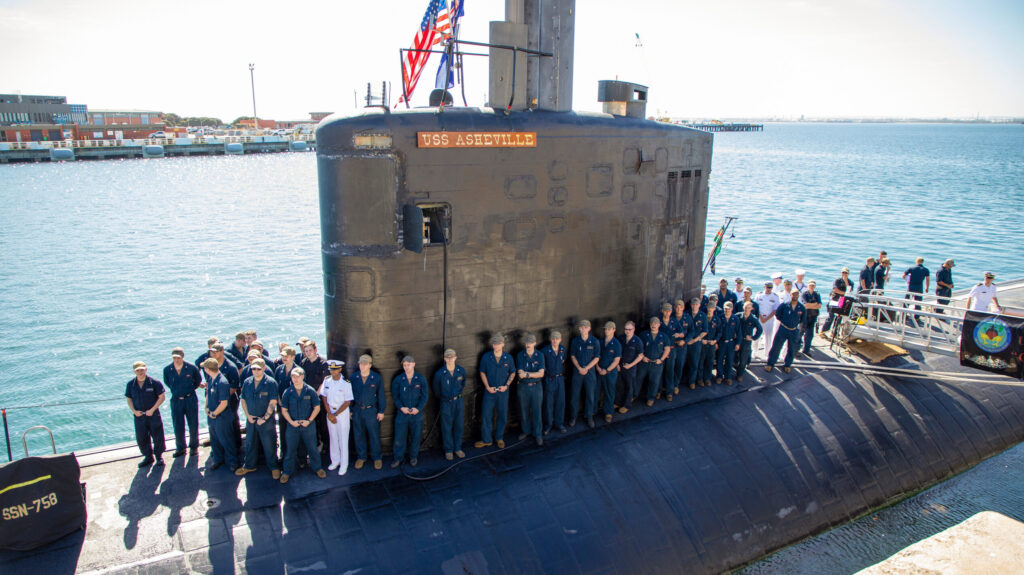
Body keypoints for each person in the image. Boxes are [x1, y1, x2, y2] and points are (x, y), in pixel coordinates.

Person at [279, 367, 326, 482]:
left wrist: (309, 421)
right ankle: (287, 471)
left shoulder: (310, 391)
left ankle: (317, 468)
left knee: (312, 448)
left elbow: (317, 407)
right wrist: (291, 422)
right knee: (290, 450)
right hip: (293, 425)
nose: (295, 379)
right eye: (293, 376)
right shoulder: (288, 392)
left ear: (303, 376)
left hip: (308, 425)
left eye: (297, 376)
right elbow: (284, 409)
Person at [236, 359, 281, 478]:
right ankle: (249, 465)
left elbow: (272, 402)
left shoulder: (271, 383)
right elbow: (243, 399)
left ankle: (273, 466)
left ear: (264, 368)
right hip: (251, 419)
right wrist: (248, 416)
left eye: (258, 369)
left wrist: (265, 418)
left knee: (269, 444)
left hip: (265, 421)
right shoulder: (247, 382)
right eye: (253, 369)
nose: (256, 371)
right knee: (250, 443)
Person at [477, 335, 515, 447]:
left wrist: (507, 385)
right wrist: (487, 387)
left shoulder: (508, 358)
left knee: (502, 415)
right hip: (489, 392)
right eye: (494, 343)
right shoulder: (486, 357)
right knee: (486, 415)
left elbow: (512, 372)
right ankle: (486, 440)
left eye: (498, 343)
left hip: (503, 392)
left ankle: (499, 438)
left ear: (503, 344)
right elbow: (482, 372)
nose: (496, 346)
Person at [163, 347, 202, 457]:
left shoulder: (191, 368)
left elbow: (197, 381)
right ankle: (180, 447)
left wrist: (188, 390)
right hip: (176, 400)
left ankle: (194, 447)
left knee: (193, 423)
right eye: (174, 358)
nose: (176, 360)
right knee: (178, 425)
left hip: (190, 399)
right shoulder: (167, 370)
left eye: (178, 357)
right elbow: (168, 382)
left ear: (183, 356)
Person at [125, 361, 166, 468]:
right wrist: (134, 411)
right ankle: (148, 457)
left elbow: (161, 397)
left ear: (146, 369)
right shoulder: (130, 385)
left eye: (142, 370)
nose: (140, 372)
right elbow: (128, 398)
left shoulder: (154, 383)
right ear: (134, 371)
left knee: (157, 436)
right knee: (141, 437)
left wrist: (152, 409)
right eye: (138, 370)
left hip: (153, 414)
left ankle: (159, 457)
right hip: (139, 416)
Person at [201, 358, 238, 472]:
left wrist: (214, 413)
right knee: (215, 439)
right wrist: (206, 407)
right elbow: (208, 393)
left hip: (222, 417)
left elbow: (224, 403)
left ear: (207, 369)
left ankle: (233, 462)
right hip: (212, 416)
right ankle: (218, 459)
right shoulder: (211, 379)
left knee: (226, 439)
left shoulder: (222, 382)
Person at [391, 355, 428, 467]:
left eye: (408, 365)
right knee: (399, 437)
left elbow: (425, 396)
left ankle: (413, 457)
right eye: (404, 365)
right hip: (402, 414)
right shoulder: (398, 379)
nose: (406, 367)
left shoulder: (421, 379)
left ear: (413, 364)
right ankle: (398, 458)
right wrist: (401, 407)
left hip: (416, 414)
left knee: (416, 437)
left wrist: (418, 408)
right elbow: (395, 396)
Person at [350, 354, 385, 469]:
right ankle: (361, 457)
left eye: (365, 364)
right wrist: (350, 410)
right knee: (359, 435)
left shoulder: (376, 378)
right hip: (358, 410)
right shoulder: (353, 378)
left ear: (370, 365)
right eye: (360, 363)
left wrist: (381, 411)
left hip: (371, 410)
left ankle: (377, 457)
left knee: (374, 435)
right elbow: (349, 396)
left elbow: (381, 396)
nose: (362, 366)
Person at [320, 359, 353, 475]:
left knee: (343, 439)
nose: (332, 372)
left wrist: (335, 414)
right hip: (330, 412)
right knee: (333, 438)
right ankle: (335, 460)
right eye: (331, 369)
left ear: (340, 369)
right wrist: (329, 413)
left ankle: (344, 464)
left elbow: (347, 401)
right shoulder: (327, 381)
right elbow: (324, 396)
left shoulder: (345, 383)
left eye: (334, 370)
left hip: (342, 414)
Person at [433, 349, 468, 459]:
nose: (449, 359)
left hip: (459, 401)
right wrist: (445, 398)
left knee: (459, 425)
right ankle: (448, 450)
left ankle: (457, 448)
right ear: (444, 359)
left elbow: (463, 384)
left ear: (455, 357)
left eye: (451, 357)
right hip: (446, 402)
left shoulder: (461, 371)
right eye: (447, 357)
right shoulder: (439, 374)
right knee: (446, 426)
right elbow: (436, 390)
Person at [299, 340, 330, 454]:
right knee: (312, 422)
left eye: (310, 350)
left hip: (320, 398)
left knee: (323, 422)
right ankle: (316, 444)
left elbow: (325, 380)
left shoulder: (323, 363)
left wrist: (316, 394)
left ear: (315, 350)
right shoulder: (303, 363)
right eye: (306, 351)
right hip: (309, 398)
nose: (308, 353)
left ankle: (326, 444)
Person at [766, 290, 806, 373]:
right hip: (783, 329)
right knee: (776, 347)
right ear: (790, 295)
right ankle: (770, 363)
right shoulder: (784, 305)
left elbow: (802, 319)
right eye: (793, 294)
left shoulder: (801, 307)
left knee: (791, 348)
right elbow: (778, 315)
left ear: (798, 296)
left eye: (796, 295)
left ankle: (787, 364)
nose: (795, 296)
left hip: (794, 330)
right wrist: (785, 322)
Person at [569, 320, 600, 428]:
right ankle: (573, 417)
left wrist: (586, 368)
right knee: (574, 395)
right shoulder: (575, 341)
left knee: (590, 395)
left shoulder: (594, 341)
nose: (582, 329)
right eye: (581, 327)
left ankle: (589, 416)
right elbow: (572, 356)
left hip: (590, 372)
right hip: (578, 372)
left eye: (584, 327)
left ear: (589, 328)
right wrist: (579, 368)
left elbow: (596, 358)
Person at [516, 335, 546, 444]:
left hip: (536, 386)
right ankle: (526, 431)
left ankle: (537, 434)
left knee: (537, 411)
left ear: (535, 343)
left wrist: (527, 374)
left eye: (530, 343)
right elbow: (520, 374)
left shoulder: (540, 355)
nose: (528, 345)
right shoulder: (520, 355)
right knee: (524, 411)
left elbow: (541, 374)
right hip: (523, 387)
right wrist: (533, 374)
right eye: (526, 343)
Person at [275, 346, 300, 460]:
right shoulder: (279, 369)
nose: (284, 358)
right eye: (283, 356)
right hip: (281, 406)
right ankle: (284, 453)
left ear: (293, 357)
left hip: (293, 407)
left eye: (286, 356)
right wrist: (279, 400)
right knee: (283, 429)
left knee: (295, 431)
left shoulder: (298, 371)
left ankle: (297, 456)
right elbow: (276, 387)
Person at [640, 316, 671, 404]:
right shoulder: (643, 335)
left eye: (655, 323)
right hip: (645, 362)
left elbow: (667, 349)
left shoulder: (664, 336)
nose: (653, 325)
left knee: (654, 381)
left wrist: (661, 359)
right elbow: (639, 348)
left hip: (657, 363)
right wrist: (642, 357)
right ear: (650, 325)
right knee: (638, 379)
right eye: (652, 323)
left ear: (659, 325)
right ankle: (634, 396)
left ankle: (651, 398)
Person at [541, 331, 568, 434]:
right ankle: (548, 425)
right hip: (549, 379)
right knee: (548, 404)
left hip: (560, 379)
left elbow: (563, 361)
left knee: (560, 402)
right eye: (553, 339)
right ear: (551, 339)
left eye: (557, 339)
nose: (555, 340)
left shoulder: (562, 350)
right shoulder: (544, 351)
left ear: (560, 339)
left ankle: (559, 424)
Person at [596, 322, 621, 423]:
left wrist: (607, 370)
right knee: (596, 391)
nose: (607, 331)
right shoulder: (600, 342)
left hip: (610, 372)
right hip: (599, 370)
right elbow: (596, 356)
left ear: (614, 330)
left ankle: (608, 412)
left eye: (609, 329)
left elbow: (616, 360)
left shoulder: (616, 344)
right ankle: (594, 410)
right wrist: (598, 368)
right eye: (606, 329)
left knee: (609, 392)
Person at [617, 322, 644, 412]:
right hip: (620, 366)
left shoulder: (637, 341)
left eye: (630, 329)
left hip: (630, 367)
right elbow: (617, 352)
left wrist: (631, 365)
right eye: (626, 329)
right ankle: (618, 402)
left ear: (634, 329)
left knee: (629, 386)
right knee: (620, 385)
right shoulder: (621, 338)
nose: (627, 331)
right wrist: (617, 364)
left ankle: (627, 405)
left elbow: (640, 356)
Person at [735, 301, 763, 382]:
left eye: (749, 307)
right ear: (743, 307)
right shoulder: (738, 315)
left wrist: (753, 338)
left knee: (743, 360)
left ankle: (739, 374)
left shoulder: (753, 319)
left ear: (752, 309)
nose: (747, 309)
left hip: (746, 341)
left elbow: (760, 330)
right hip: (737, 340)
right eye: (745, 307)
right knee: (735, 357)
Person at [658, 303, 682, 396]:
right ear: (662, 311)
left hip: (671, 350)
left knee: (670, 371)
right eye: (665, 311)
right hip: (660, 350)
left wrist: (679, 335)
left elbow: (682, 332)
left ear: (671, 311)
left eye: (669, 311)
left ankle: (669, 391)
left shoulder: (674, 321)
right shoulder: (658, 322)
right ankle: (658, 390)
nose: (667, 313)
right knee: (659, 371)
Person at [821, 267, 853, 334]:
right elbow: (836, 290)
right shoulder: (837, 280)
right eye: (843, 272)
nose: (844, 274)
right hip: (835, 299)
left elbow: (849, 290)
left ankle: (834, 332)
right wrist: (844, 293)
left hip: (842, 300)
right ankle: (823, 331)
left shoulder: (850, 282)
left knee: (839, 317)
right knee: (831, 315)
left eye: (846, 273)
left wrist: (846, 281)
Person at [685, 298, 708, 389]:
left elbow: (705, 331)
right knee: (681, 362)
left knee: (694, 363)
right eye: (693, 304)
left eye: (696, 304)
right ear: (691, 305)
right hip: (686, 342)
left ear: (699, 305)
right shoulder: (686, 314)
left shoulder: (703, 316)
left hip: (696, 343)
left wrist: (694, 340)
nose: (694, 306)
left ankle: (692, 381)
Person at [670, 300, 691, 395]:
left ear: (683, 308)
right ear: (674, 308)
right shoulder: (671, 318)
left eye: (680, 307)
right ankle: (669, 384)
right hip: (672, 346)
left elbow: (692, 331)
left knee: (679, 365)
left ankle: (676, 384)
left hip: (682, 346)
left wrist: (685, 341)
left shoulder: (687, 318)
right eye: (677, 307)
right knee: (670, 367)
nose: (678, 308)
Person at [717, 303, 741, 385]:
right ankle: (719, 376)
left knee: (729, 360)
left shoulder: (735, 318)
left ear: (732, 309)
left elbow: (738, 332)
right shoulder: (720, 317)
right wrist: (716, 342)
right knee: (719, 359)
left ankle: (728, 377)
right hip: (721, 342)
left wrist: (738, 343)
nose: (727, 310)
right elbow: (716, 331)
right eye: (725, 308)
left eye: (728, 308)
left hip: (731, 342)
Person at [755, 282, 780, 360]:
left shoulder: (775, 297)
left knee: (768, 337)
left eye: (770, 287)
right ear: (764, 287)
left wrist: (766, 318)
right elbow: (755, 307)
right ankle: (754, 353)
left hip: (769, 319)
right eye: (767, 287)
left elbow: (775, 310)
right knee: (756, 336)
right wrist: (761, 317)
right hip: (759, 318)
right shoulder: (759, 295)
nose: (769, 289)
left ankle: (767, 354)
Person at [701, 299, 722, 385]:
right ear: (707, 308)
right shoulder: (702, 318)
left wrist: (715, 341)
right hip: (703, 343)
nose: (710, 309)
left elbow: (719, 332)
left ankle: (707, 378)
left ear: (714, 309)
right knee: (701, 362)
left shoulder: (717, 320)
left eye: (712, 308)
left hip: (711, 344)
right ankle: (699, 378)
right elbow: (698, 330)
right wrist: (701, 340)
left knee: (709, 362)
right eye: (709, 307)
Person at [800, 281, 823, 354]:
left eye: (813, 285)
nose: (811, 287)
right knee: (800, 332)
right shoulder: (804, 294)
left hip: (813, 316)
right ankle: (795, 349)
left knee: (810, 334)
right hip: (805, 316)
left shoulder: (817, 294)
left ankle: (806, 350)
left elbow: (819, 305)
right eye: (810, 285)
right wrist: (814, 304)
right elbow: (805, 305)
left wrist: (811, 305)